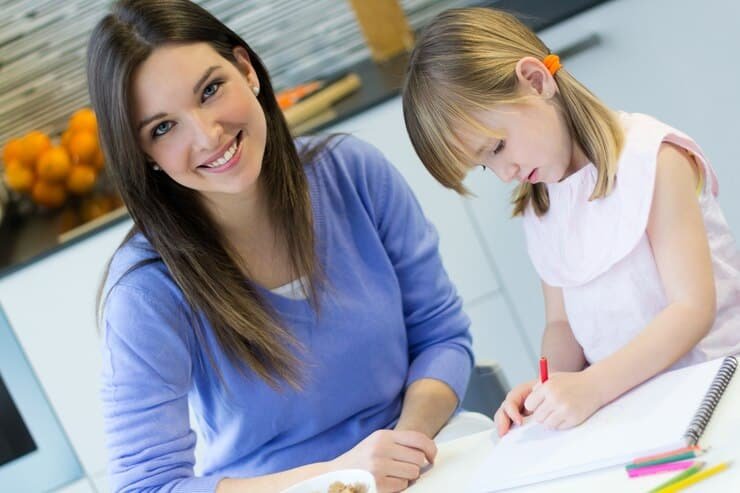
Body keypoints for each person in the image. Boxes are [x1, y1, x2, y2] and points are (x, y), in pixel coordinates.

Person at [89, 1, 479, 491]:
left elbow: (441, 335)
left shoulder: (352, 172)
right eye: (163, 127)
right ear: (142, 153)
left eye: (211, 90)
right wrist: (344, 476)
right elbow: (145, 486)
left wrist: (402, 447)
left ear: (246, 69)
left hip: (420, 465)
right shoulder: (146, 292)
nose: (208, 136)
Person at [402, 7, 740, 437]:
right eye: (485, 164)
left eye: (498, 146)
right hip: (635, 407)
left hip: (717, 394)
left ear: (537, 81)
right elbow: (562, 326)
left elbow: (692, 311)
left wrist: (591, 386)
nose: (504, 172)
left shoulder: (652, 160)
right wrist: (549, 388)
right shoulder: (541, 203)